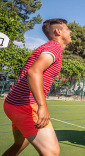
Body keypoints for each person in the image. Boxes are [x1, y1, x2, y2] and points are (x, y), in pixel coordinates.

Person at [3, 19, 72, 156]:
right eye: (67, 29)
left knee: (19, 144)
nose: (70, 32)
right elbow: (33, 72)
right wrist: (42, 106)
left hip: (13, 104)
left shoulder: (48, 47)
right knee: (51, 152)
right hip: (25, 105)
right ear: (58, 32)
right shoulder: (54, 47)